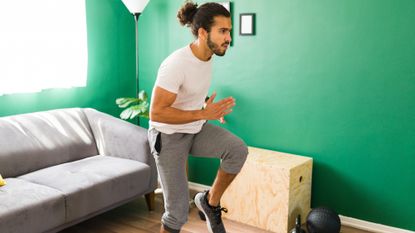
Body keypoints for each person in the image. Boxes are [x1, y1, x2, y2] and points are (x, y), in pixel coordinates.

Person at [147, 1, 248, 233]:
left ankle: (209, 202)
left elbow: (184, 97)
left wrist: (206, 109)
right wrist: (203, 113)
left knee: (237, 150)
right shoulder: (176, 64)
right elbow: (157, 112)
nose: (228, 37)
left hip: (195, 127)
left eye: (229, 31)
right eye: (223, 31)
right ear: (203, 33)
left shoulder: (208, 56)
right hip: (168, 135)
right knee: (176, 214)